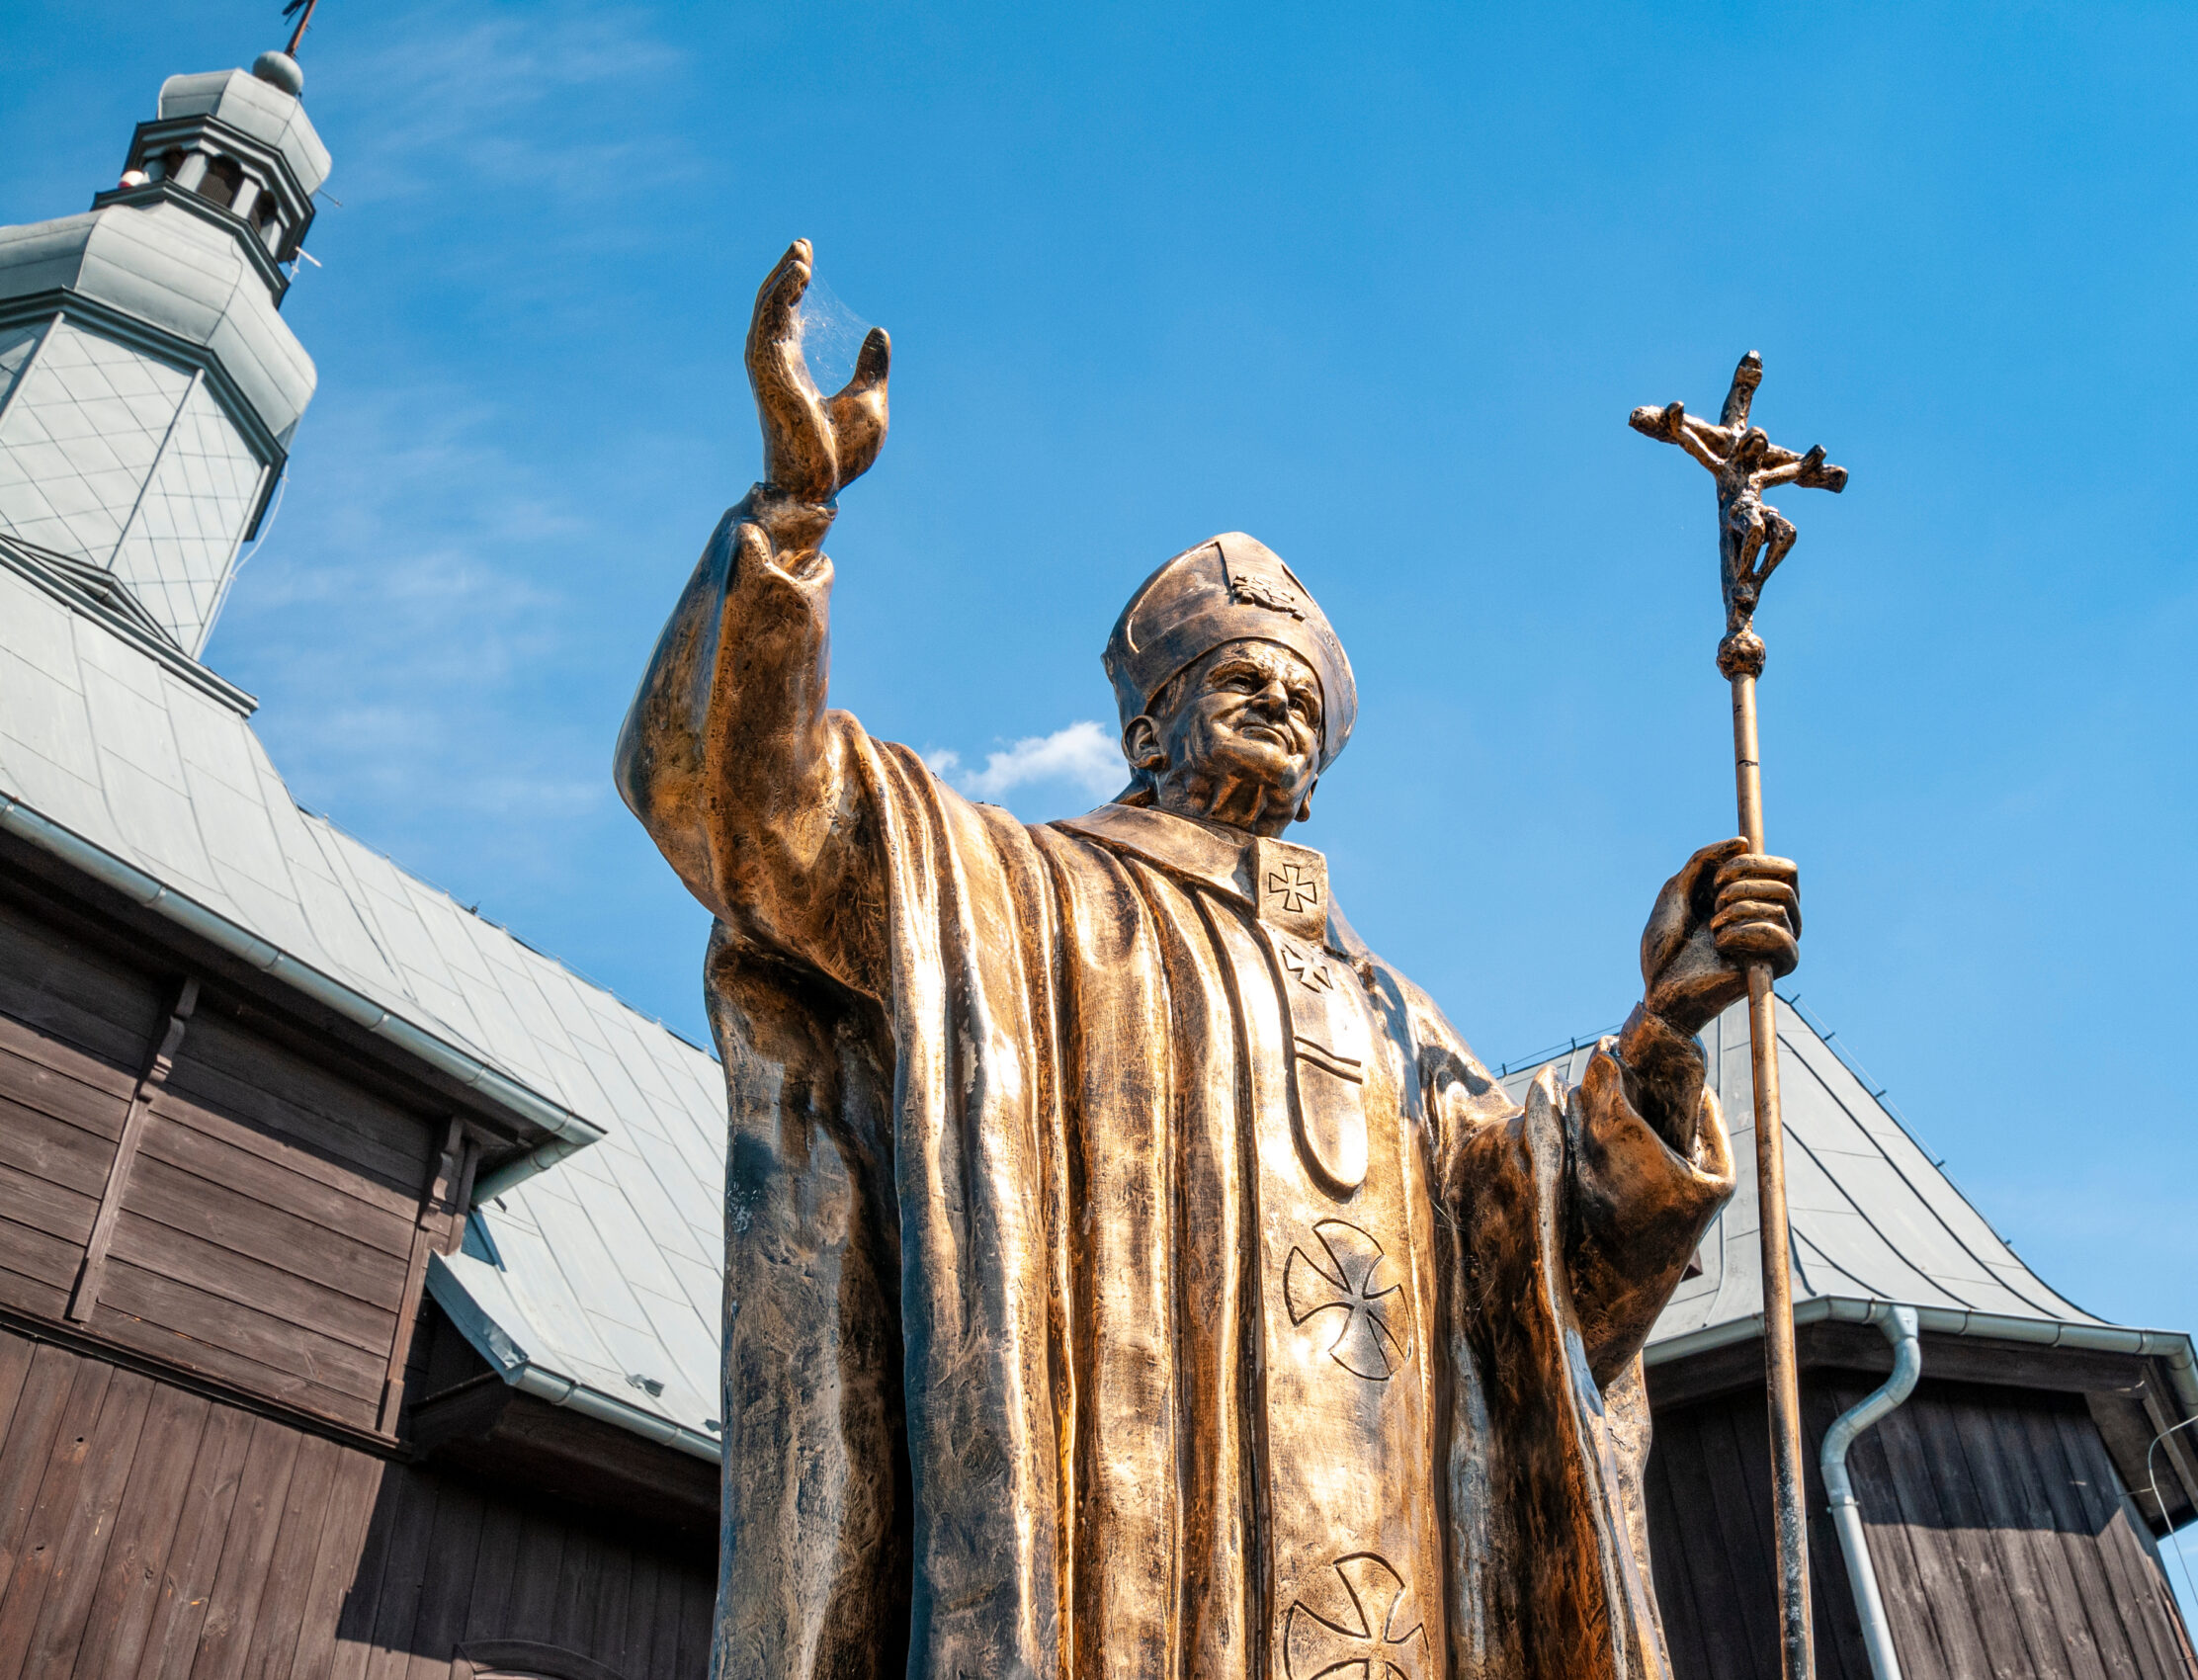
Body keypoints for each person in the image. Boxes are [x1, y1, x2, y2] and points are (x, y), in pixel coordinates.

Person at [617, 240, 1804, 1680]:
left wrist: (1664, 1038)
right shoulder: (1021, 894)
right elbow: (749, 815)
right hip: (1121, 1576)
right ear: (1145, 732)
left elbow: (1547, 1268)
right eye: (1238, 679)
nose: (1279, 703)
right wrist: (793, 516)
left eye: (1303, 699)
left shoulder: (1397, 1024)